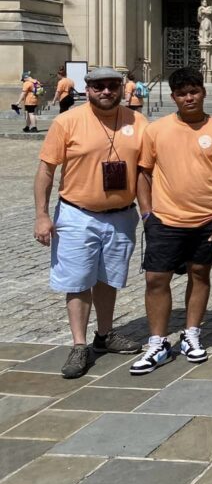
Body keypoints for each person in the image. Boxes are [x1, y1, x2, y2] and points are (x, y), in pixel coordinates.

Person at [33, 67, 145, 378]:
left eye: (112, 86)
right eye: (99, 87)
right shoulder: (67, 121)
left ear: (122, 88)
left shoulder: (138, 121)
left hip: (122, 215)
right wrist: (42, 215)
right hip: (77, 214)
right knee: (78, 280)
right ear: (88, 89)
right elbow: (45, 171)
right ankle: (79, 344)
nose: (106, 92)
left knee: (108, 278)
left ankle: (105, 334)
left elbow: (151, 170)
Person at [130, 66, 212, 375]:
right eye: (182, 93)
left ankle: (191, 333)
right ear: (174, 97)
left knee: (200, 274)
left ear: (203, 92)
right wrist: (147, 213)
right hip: (165, 219)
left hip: (209, 218)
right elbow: (143, 172)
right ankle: (158, 342)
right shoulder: (156, 130)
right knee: (156, 279)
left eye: (194, 91)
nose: (189, 97)